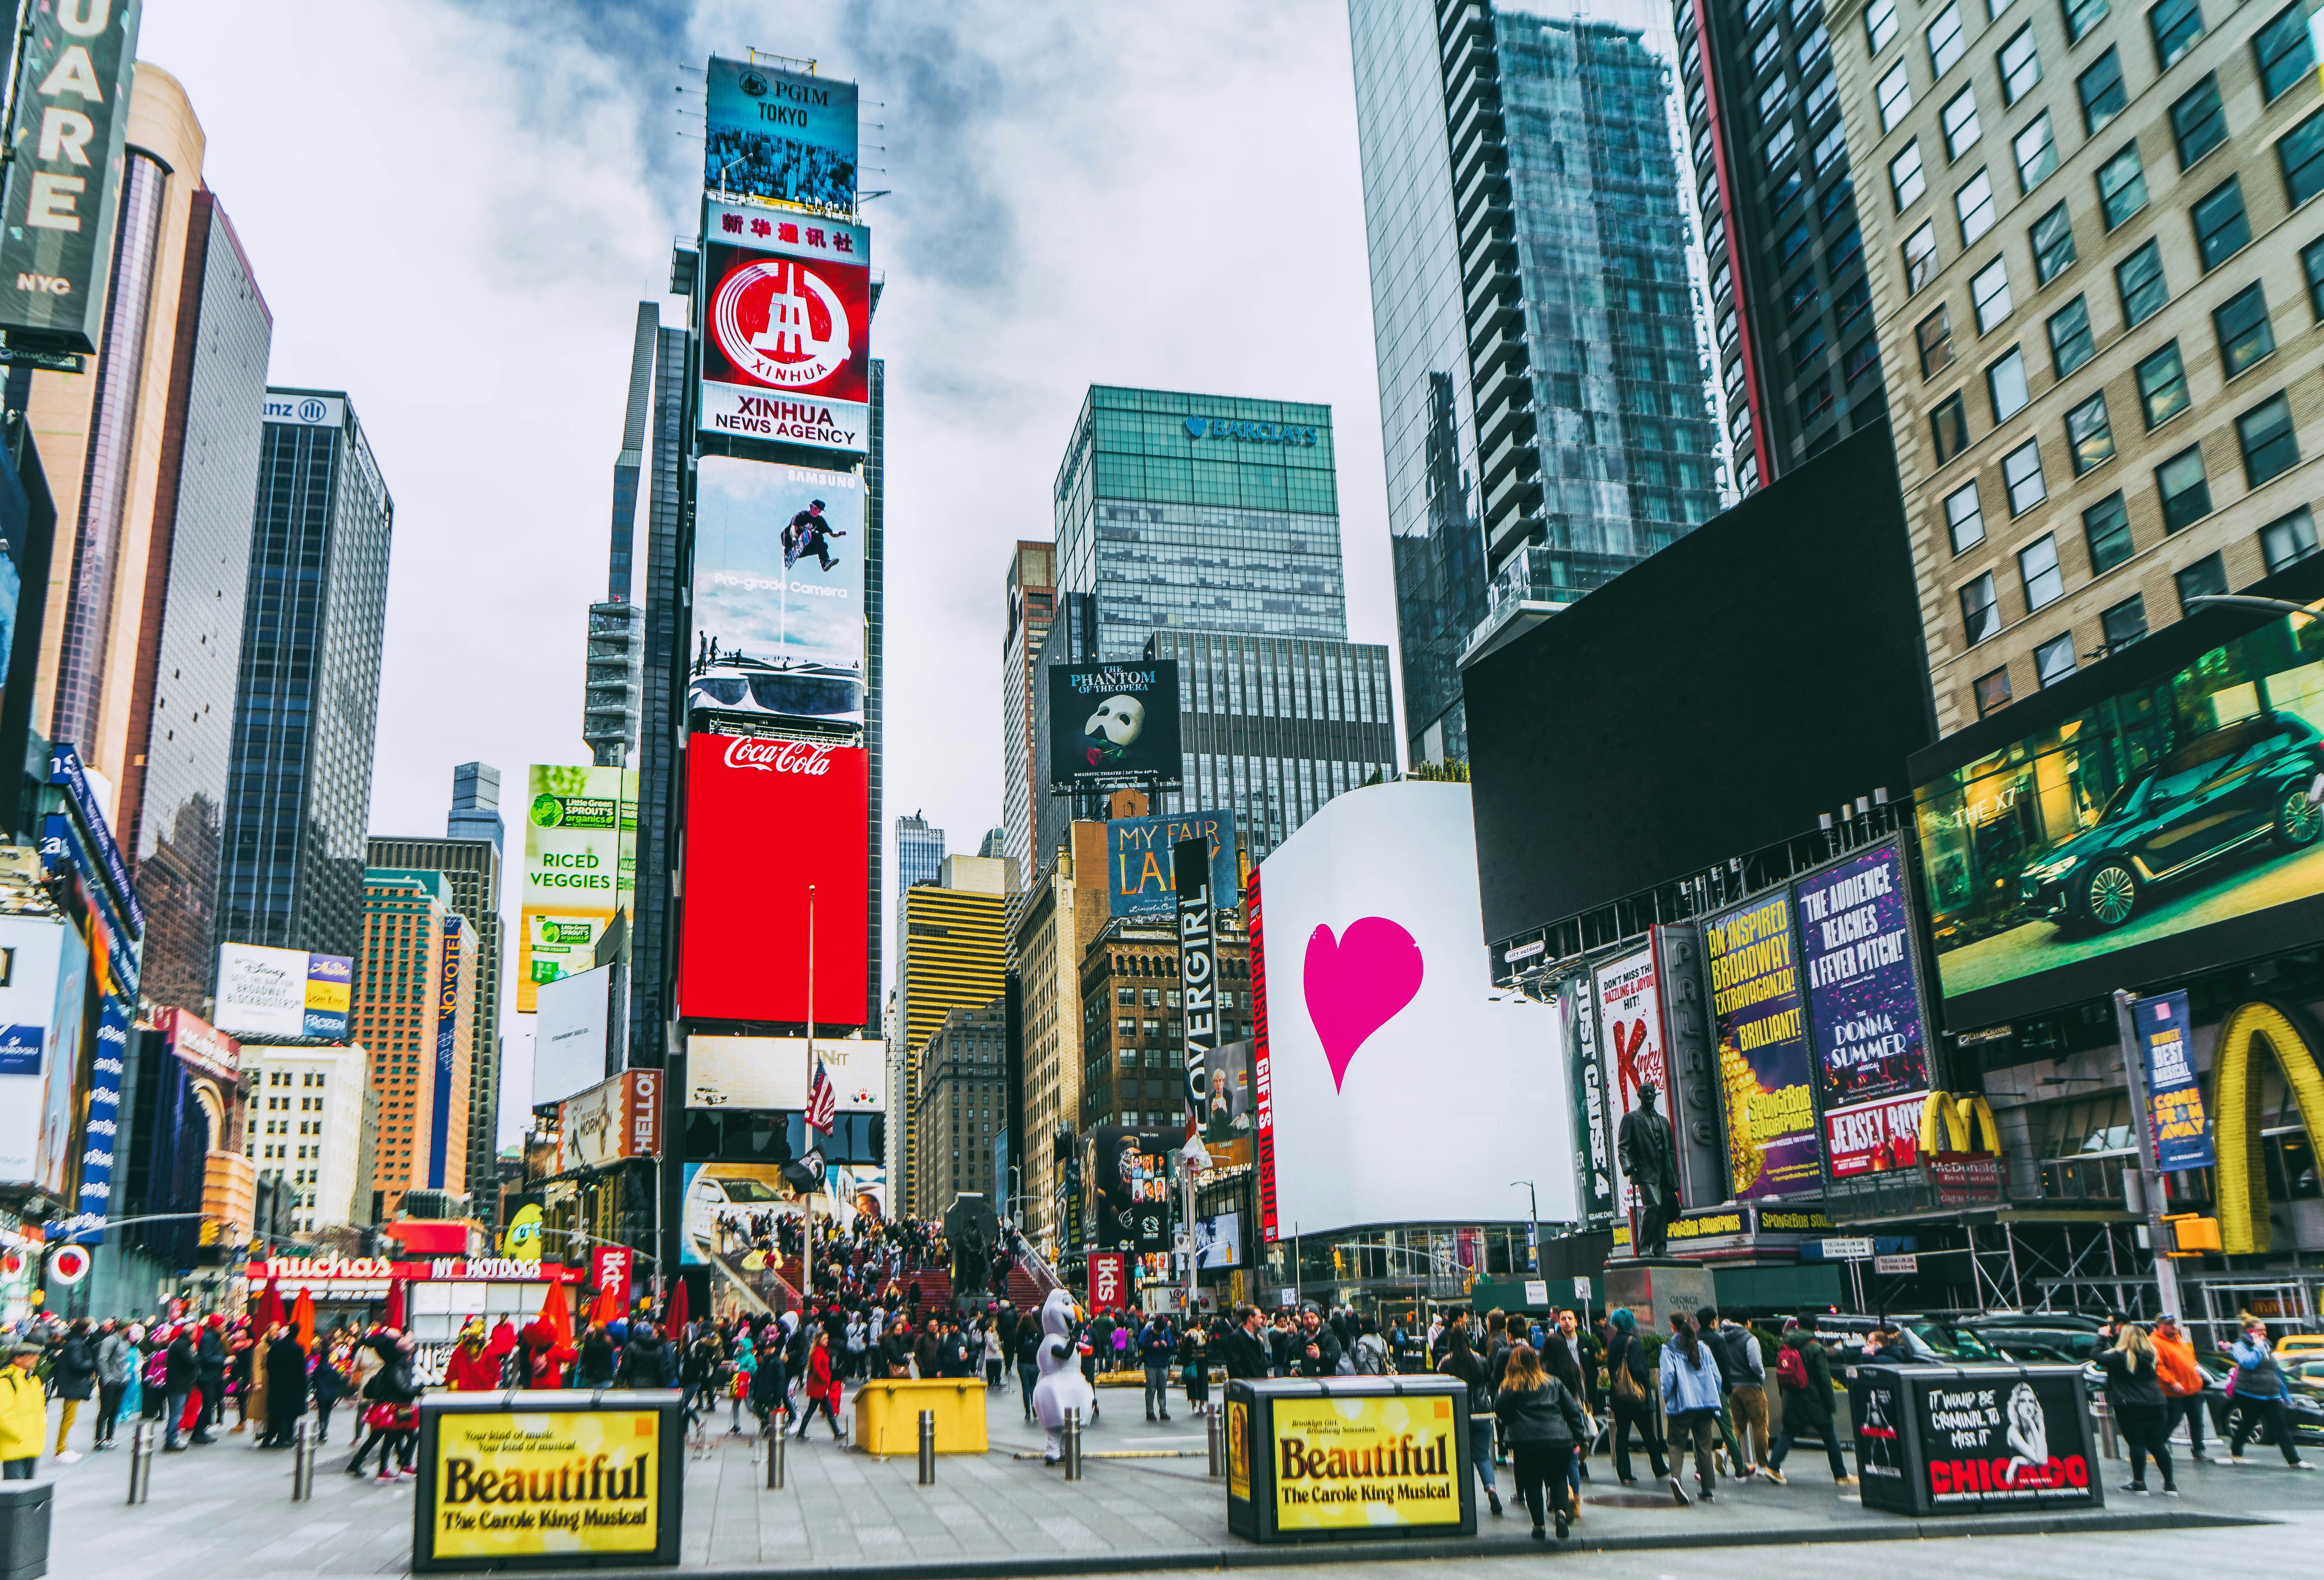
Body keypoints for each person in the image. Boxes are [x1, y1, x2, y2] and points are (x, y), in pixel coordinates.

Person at [1492, 1343, 1588, 1542]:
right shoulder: (1553, 1382)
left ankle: (1539, 1525)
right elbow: (1572, 1410)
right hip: (1559, 1439)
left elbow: (1500, 1410)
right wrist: (1580, 1437)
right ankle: (1561, 1513)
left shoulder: (1509, 1386)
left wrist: (1512, 1422)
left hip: (1526, 1443)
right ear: (1536, 1362)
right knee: (1559, 1478)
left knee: (1532, 1483)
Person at [1765, 1320, 1849, 1484]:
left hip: (1791, 1397)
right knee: (1829, 1434)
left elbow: (1781, 1373)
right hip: (1813, 1400)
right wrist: (1830, 1404)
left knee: (1788, 1432)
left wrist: (1784, 1396)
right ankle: (1841, 1475)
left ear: (1798, 1326)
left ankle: (1773, 1467)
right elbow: (1824, 1380)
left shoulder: (1787, 1344)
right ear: (1816, 1328)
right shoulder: (1816, 1348)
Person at [2225, 1314, 2312, 1469]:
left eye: (2265, 1330)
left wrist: (2284, 1393)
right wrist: (2257, 1347)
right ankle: (2236, 1451)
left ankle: (2294, 1460)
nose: (2265, 1333)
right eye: (2261, 1330)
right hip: (2249, 1394)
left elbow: (2275, 1371)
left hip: (2271, 1395)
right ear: (2251, 1331)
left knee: (2280, 1426)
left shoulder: (2266, 1346)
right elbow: (2248, 1363)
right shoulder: (2241, 1345)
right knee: (2249, 1423)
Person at [2098, 1322, 2175, 1495]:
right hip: (2156, 1403)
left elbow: (2097, 1356)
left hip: (2130, 1405)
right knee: (2157, 1444)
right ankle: (2170, 1484)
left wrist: (2102, 1337)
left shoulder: (2120, 1356)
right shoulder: (2151, 1354)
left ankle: (2139, 1483)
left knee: (2137, 1443)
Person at [1440, 1321, 1503, 1519]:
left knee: (1459, 1457)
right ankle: (1491, 1490)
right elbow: (1490, 1382)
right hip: (1483, 1414)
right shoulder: (1481, 1360)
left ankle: (1463, 1499)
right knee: (1483, 1456)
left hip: (1459, 1416)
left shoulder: (1446, 1362)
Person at [1660, 1312, 1724, 1505]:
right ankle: (1707, 1490)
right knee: (1704, 1446)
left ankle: (1676, 1479)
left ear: (1673, 1327)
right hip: (1705, 1404)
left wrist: (1667, 1398)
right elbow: (1717, 1377)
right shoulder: (1703, 1347)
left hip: (1682, 1405)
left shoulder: (1668, 1349)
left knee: (1676, 1443)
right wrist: (1715, 1396)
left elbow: (1668, 1378)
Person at [1602, 1309, 1668, 1486]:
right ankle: (1660, 1468)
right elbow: (1640, 1370)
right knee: (1648, 1434)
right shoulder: (1634, 1342)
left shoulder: (1613, 1342)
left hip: (1619, 1396)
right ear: (1631, 1322)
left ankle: (1625, 1474)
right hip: (1637, 1397)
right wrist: (1646, 1385)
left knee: (1622, 1435)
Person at [1707, 1308, 1768, 1479]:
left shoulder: (1723, 1338)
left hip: (1732, 1388)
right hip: (1751, 1387)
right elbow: (1755, 1364)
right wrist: (1761, 1376)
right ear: (1748, 1322)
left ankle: (1725, 1451)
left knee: (1737, 1425)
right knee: (1760, 1425)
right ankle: (1763, 1465)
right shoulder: (1750, 1339)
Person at [2151, 1314, 2208, 1463]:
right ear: (2160, 1326)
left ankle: (2198, 1448)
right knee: (2172, 1420)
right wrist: (2173, 1382)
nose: (2174, 1327)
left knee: (2197, 1420)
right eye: (2169, 1324)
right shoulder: (2155, 1342)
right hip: (2174, 1392)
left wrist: (2198, 1377)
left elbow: (2192, 1361)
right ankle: (2156, 1446)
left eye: (2174, 1324)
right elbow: (2159, 1367)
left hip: (2193, 1389)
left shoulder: (2179, 1340)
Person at [50, 1319, 95, 1460]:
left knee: (68, 1417)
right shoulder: (76, 1344)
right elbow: (78, 1364)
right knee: (68, 1418)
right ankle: (61, 1449)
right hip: (73, 1384)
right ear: (85, 1330)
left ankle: (63, 1448)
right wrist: (92, 1363)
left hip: (70, 1383)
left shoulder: (73, 1342)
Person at [0, 1346, 43, 1479]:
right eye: (31, 1355)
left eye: (37, 1355)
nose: (36, 1358)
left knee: (29, 1493)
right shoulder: (6, 1381)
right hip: (16, 1446)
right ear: (17, 1359)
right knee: (15, 1494)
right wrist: (21, 1435)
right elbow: (3, 1415)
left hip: (33, 1444)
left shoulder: (33, 1380)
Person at [262, 1325, 308, 1449]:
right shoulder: (298, 1349)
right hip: (293, 1387)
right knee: (290, 1414)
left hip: (277, 1385)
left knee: (277, 1413)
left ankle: (270, 1438)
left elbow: (270, 1365)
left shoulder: (277, 1346)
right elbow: (301, 1370)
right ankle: (285, 1437)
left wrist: (274, 1378)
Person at [795, 1328, 843, 1440]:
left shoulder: (822, 1351)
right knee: (814, 1409)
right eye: (824, 1338)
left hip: (821, 1385)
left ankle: (836, 1432)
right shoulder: (818, 1351)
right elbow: (817, 1369)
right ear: (819, 1340)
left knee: (823, 1409)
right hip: (819, 1386)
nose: (827, 1340)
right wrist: (825, 1380)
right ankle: (836, 1432)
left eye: (827, 1338)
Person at [163, 1323, 206, 1450]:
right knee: (176, 1414)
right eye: (196, 1334)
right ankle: (171, 1441)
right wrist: (197, 1355)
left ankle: (173, 1438)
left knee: (175, 1413)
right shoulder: (182, 1346)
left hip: (177, 1384)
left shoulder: (178, 1343)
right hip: (179, 1385)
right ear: (192, 1334)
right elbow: (191, 1362)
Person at [94, 1321, 135, 1451]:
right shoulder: (111, 1340)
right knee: (106, 1410)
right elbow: (102, 1359)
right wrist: (107, 1377)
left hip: (121, 1381)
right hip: (110, 1381)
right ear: (125, 1328)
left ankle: (109, 1438)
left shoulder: (124, 1341)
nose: (131, 1330)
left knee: (115, 1411)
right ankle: (99, 1440)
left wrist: (125, 1377)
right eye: (130, 1327)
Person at [616, 1321, 676, 1388]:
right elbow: (661, 1372)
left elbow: (625, 1368)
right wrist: (662, 1388)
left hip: (634, 1386)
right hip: (653, 1387)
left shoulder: (631, 1347)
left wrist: (619, 1384)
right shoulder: (658, 1349)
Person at [1138, 1313, 1175, 1421]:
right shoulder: (1147, 1332)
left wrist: (1166, 1346)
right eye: (1157, 1331)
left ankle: (1163, 1411)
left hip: (1163, 1364)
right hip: (1151, 1364)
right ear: (1153, 1327)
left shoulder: (1167, 1333)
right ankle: (1150, 1412)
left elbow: (1173, 1347)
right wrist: (1151, 1346)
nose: (1159, 1334)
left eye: (1160, 1332)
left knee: (1162, 1389)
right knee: (1151, 1388)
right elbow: (1140, 1344)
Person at [446, 1320, 500, 1392]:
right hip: (464, 1393)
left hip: (483, 1393)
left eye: (475, 1337)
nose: (473, 1339)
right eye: (472, 1336)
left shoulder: (489, 1351)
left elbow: (495, 1371)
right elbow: (452, 1372)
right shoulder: (460, 1351)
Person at [1292, 1303, 1343, 1378]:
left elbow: (1336, 1356)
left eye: (1312, 1317)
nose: (1309, 1321)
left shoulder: (1329, 1336)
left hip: (1325, 1385)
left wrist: (1320, 1356)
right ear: (1302, 1321)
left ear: (1319, 1318)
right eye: (1306, 1318)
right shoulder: (1298, 1339)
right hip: (1303, 1386)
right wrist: (1291, 1372)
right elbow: (1286, 1365)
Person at [1223, 1305, 1271, 1382]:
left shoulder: (1258, 1339)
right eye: (1259, 1317)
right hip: (1246, 1387)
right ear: (1251, 1318)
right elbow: (1235, 1368)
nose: (1261, 1320)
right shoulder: (1235, 1338)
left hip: (1261, 1386)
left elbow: (1264, 1364)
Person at [1015, 1313, 1044, 1422]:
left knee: (1025, 1388)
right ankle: (1035, 1409)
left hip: (1022, 1363)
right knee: (1033, 1387)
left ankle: (1028, 1412)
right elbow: (1042, 1347)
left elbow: (1017, 1348)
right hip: (1034, 1363)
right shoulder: (1038, 1333)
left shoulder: (1020, 1333)